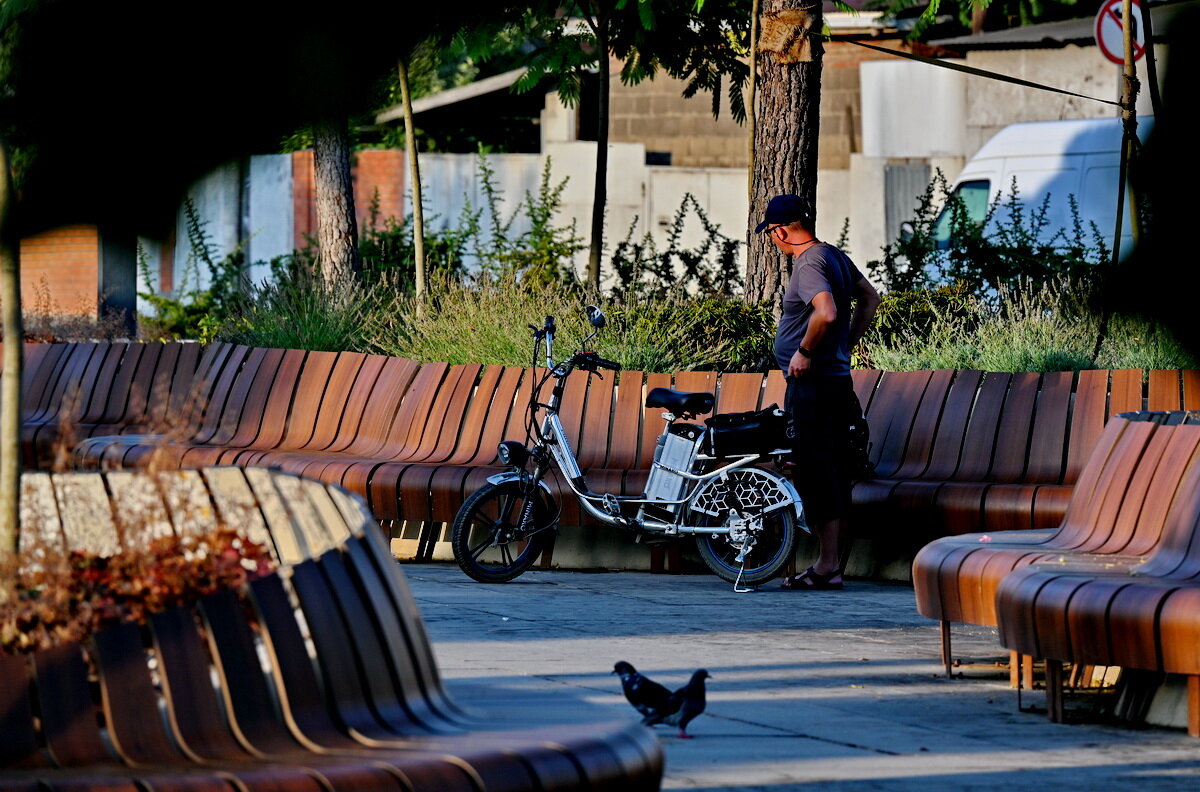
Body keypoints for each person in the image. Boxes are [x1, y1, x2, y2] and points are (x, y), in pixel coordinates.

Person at [754, 193, 880, 590]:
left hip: (813, 387)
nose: (773, 241)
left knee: (815, 469)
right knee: (832, 469)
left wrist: (805, 352)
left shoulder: (808, 263)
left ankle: (827, 567)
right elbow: (870, 298)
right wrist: (846, 345)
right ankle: (829, 565)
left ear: (780, 230)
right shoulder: (834, 255)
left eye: (771, 234)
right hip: (835, 381)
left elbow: (826, 311)